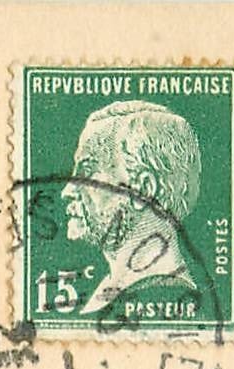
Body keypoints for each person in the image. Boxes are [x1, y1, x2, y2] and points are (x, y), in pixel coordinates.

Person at [60, 100, 202, 317]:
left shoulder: (161, 294)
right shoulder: (115, 292)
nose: (68, 191)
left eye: (87, 171)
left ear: (142, 191)